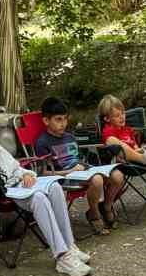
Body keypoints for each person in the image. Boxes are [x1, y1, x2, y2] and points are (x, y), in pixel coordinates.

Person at [0, 105, 93, 276]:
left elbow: (13, 166)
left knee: (54, 186)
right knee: (39, 198)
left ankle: (70, 246)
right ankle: (62, 257)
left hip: (16, 185)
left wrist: (26, 174)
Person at [37, 97, 123, 234]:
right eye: (58, 119)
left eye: (65, 119)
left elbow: (79, 158)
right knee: (97, 179)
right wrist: (70, 170)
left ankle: (106, 206)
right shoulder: (43, 142)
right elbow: (43, 173)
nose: (63, 124)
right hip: (65, 175)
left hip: (83, 169)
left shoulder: (70, 137)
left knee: (118, 175)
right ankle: (94, 214)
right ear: (46, 121)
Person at [98, 94, 146, 177]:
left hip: (142, 158)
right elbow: (114, 152)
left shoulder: (127, 130)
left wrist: (142, 149)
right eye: (117, 115)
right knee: (112, 140)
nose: (122, 117)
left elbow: (135, 147)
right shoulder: (108, 133)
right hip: (130, 165)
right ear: (107, 119)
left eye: (123, 113)